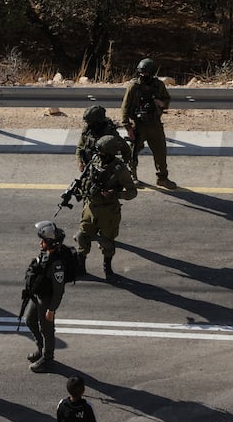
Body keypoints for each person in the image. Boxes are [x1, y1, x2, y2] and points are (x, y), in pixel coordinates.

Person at [74, 135, 138, 282]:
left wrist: (115, 194)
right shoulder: (95, 160)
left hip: (108, 211)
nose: (98, 153)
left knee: (107, 241)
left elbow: (132, 192)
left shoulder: (120, 169)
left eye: (101, 151)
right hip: (90, 207)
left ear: (109, 152)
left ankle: (107, 266)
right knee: (82, 236)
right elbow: (85, 178)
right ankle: (81, 266)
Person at [120, 57, 176, 189]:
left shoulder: (158, 85)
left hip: (155, 125)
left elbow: (166, 99)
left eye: (146, 73)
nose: (143, 75)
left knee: (160, 152)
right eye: (141, 73)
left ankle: (162, 178)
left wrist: (162, 103)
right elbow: (125, 107)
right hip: (138, 125)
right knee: (133, 153)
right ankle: (132, 177)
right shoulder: (133, 87)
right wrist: (128, 127)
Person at [24, 221, 67, 373]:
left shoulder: (57, 264)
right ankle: (40, 348)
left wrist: (52, 309)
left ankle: (48, 358)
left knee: (47, 330)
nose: (40, 243)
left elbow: (59, 290)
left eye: (43, 240)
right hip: (38, 296)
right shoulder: (45, 253)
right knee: (29, 320)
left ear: (50, 243)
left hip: (47, 300)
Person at [76, 105, 131, 172]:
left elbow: (126, 150)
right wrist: (79, 162)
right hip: (90, 167)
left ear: (97, 122)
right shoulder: (87, 130)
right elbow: (80, 146)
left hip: (105, 170)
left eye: (90, 122)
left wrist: (121, 167)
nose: (88, 124)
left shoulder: (110, 133)